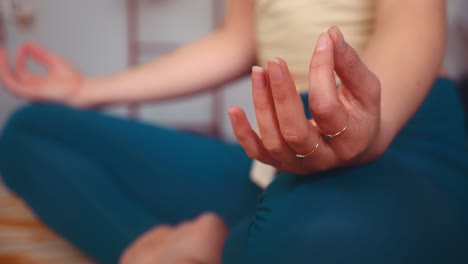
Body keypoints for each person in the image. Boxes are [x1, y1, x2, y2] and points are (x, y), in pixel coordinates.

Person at [0, 0, 467, 263]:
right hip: (283, 151)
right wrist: (87, 90)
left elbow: (413, 29)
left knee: (305, 245)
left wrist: (369, 124)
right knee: (30, 135)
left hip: (400, 130)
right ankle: (155, 249)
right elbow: (237, 40)